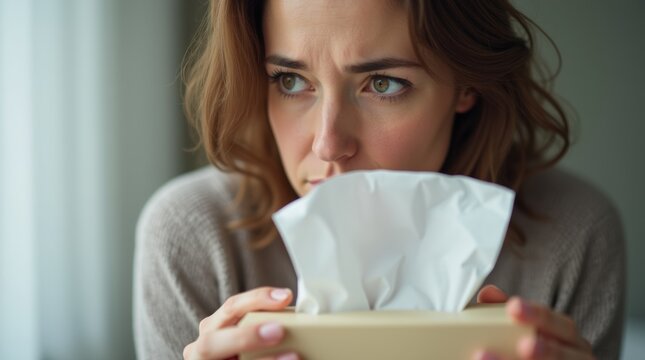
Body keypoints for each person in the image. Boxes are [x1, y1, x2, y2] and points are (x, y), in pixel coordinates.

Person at [132, 1, 625, 359]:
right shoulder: (195, 236)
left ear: (466, 84)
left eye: (383, 85)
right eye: (290, 80)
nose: (328, 144)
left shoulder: (570, 234)